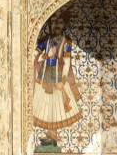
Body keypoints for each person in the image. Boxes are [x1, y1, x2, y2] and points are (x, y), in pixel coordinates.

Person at [32, 11, 83, 142]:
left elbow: (67, 64)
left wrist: (63, 81)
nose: (57, 25)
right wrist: (46, 55)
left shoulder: (66, 43)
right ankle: (50, 135)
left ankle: (52, 135)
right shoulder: (45, 41)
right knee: (45, 104)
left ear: (64, 25)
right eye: (55, 22)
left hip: (58, 77)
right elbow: (33, 56)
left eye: (60, 23)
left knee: (56, 105)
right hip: (45, 75)